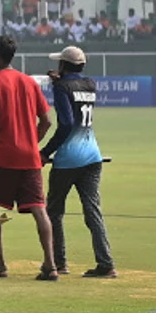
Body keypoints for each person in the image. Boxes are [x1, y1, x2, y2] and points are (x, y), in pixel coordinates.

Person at [0, 35, 57, 280]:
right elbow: (47, 121)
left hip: (4, 157)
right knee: (39, 209)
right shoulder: (29, 83)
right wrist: (32, 142)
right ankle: (50, 265)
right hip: (30, 158)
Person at [42, 45, 117, 278]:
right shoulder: (90, 84)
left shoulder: (62, 87)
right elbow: (76, 88)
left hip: (68, 159)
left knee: (54, 212)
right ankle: (106, 263)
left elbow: (65, 124)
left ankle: (59, 263)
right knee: (93, 212)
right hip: (93, 156)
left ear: (63, 65)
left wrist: (45, 151)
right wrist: (59, 81)